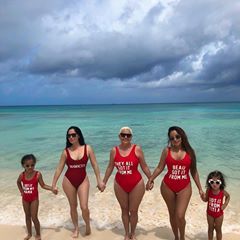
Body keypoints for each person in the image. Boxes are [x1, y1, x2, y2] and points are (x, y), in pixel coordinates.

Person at [146, 126, 204, 240]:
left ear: (182, 136)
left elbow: (194, 171)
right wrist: (151, 179)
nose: (175, 140)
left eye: (177, 136)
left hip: (184, 187)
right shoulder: (166, 151)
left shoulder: (190, 152)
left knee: (180, 215)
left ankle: (182, 237)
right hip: (168, 186)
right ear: (170, 140)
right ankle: (176, 237)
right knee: (172, 214)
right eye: (172, 138)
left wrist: (200, 189)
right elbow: (159, 167)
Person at [51, 126, 105, 238]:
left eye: (73, 135)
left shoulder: (87, 148)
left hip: (83, 180)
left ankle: (87, 225)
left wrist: (99, 181)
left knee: (84, 206)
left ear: (78, 135)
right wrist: (53, 184)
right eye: (69, 135)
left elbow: (95, 165)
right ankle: (76, 228)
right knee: (73, 206)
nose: (71, 137)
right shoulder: (65, 152)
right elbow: (59, 168)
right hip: (68, 181)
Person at [103, 126, 152, 240]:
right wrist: (104, 182)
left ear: (131, 137)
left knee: (133, 210)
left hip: (136, 183)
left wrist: (150, 179)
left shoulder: (137, 149)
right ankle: (126, 233)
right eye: (123, 135)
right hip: (120, 184)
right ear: (119, 136)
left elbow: (144, 166)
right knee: (124, 209)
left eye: (128, 135)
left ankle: (133, 233)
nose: (125, 137)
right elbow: (110, 167)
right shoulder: (114, 150)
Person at [17, 154, 57, 240]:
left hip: (34, 199)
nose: (30, 167)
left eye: (32, 165)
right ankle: (29, 234)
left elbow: (43, 185)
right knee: (27, 216)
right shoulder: (22, 175)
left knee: (34, 217)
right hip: (25, 199)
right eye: (27, 166)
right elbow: (18, 182)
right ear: (23, 165)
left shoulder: (38, 174)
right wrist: (21, 191)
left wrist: (52, 189)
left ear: (35, 164)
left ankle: (38, 234)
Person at [201, 170, 230, 240]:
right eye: (212, 182)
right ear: (209, 182)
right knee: (210, 228)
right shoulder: (209, 190)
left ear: (221, 183)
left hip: (219, 215)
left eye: (217, 182)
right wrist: (202, 197)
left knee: (218, 229)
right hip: (210, 214)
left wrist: (225, 205)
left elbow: (228, 196)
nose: (214, 184)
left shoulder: (222, 191)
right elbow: (206, 200)